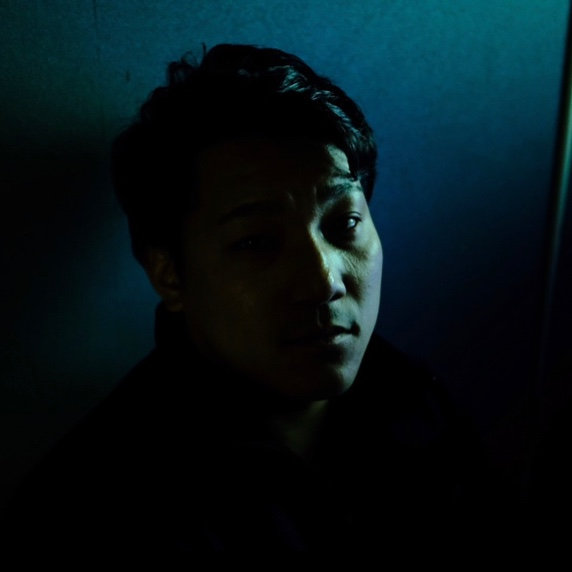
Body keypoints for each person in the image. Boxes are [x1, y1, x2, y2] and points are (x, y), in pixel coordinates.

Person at [3, 43, 492, 553]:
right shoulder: (95, 511)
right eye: (256, 242)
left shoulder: (416, 403)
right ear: (169, 274)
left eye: (344, 223)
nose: (323, 281)